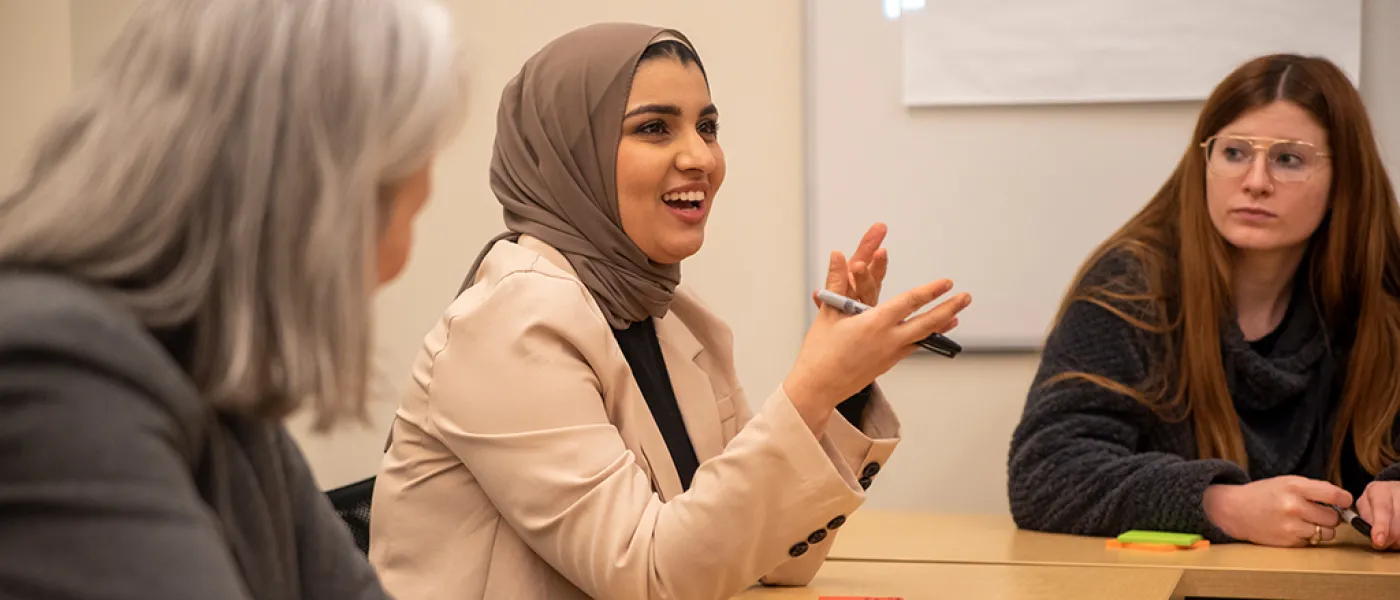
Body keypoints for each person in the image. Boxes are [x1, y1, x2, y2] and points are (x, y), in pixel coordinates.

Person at [368, 23, 970, 600]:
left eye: (707, 127)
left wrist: (844, 388)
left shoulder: (674, 318)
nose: (700, 158)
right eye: (655, 128)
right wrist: (811, 389)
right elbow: (651, 579)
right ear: (572, 152)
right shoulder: (510, 323)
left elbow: (775, 560)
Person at [0, 0, 466, 597]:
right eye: (392, 215)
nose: (396, 261)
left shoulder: (218, 386)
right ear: (303, 202)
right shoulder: (55, 370)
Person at [1007, 54, 1400, 550]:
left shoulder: (1385, 289)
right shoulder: (1131, 285)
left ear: (1344, 181)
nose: (1256, 181)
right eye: (1235, 153)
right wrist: (1221, 505)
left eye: (1288, 159)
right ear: (1204, 162)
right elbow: (1046, 473)